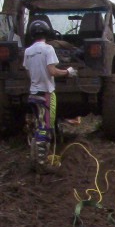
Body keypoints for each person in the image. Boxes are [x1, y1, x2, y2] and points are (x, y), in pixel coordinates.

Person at [23, 20, 76, 158]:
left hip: (33, 94)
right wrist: (67, 72)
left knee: (38, 124)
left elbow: (29, 73)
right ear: (46, 33)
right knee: (45, 127)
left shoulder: (27, 51)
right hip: (46, 94)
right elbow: (52, 71)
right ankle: (42, 162)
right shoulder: (48, 49)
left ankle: (38, 156)